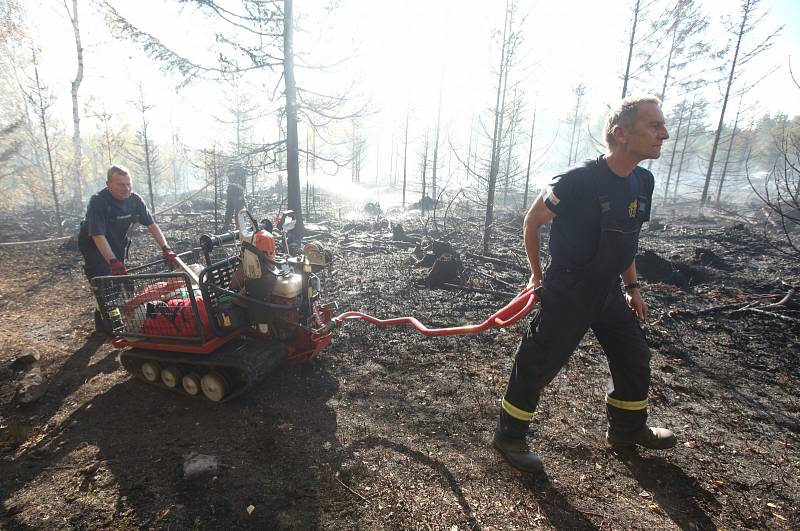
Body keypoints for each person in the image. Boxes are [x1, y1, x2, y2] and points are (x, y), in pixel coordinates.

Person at [492, 96, 675, 474]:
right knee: (537, 363)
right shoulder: (578, 180)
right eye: (654, 126)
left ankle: (626, 430)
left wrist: (632, 287)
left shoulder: (643, 181)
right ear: (621, 134)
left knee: (634, 356)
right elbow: (531, 221)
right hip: (569, 290)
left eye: (663, 125)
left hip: (608, 290)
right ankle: (509, 436)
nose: (665, 134)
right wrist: (537, 276)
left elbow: (626, 239)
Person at [78, 165, 178, 327]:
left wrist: (166, 248)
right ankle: (109, 319)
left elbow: (151, 225)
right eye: (120, 185)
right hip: (94, 245)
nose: (126, 189)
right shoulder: (98, 201)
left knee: (118, 281)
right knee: (104, 281)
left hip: (117, 241)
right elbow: (97, 234)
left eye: (128, 184)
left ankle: (102, 310)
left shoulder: (135, 200)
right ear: (108, 184)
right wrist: (112, 261)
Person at [222, 162, 247, 231]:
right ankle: (239, 227)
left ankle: (226, 226)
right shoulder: (241, 169)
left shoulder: (230, 170)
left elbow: (228, 175)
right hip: (238, 191)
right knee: (239, 209)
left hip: (230, 190)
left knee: (229, 209)